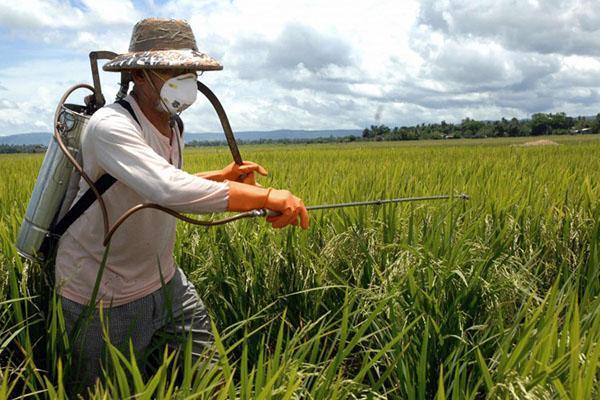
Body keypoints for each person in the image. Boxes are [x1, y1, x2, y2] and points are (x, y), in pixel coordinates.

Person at [54, 17, 309, 391]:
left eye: (189, 69)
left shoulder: (173, 124)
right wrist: (265, 197)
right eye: (173, 70)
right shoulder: (110, 127)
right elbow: (167, 188)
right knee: (105, 392)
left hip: (164, 279)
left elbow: (156, 183)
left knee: (211, 377)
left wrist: (221, 179)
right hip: (101, 292)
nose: (186, 79)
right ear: (139, 75)